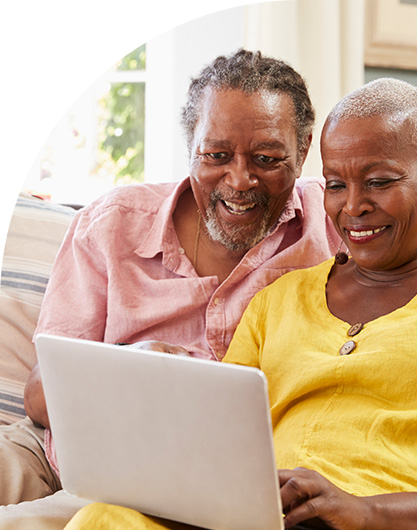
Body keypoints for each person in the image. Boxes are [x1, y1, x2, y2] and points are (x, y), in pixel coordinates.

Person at [64, 77, 417, 530]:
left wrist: (367, 512)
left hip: (378, 521)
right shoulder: (280, 300)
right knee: (103, 518)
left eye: (378, 182)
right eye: (335, 184)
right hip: (256, 517)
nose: (353, 206)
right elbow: (220, 440)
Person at [0, 49, 338, 509]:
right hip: (61, 451)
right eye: (216, 155)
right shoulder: (112, 224)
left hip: (208, 479)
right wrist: (129, 365)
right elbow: (40, 396)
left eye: (266, 158)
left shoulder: (337, 224)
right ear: (190, 147)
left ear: (302, 152)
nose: (239, 180)